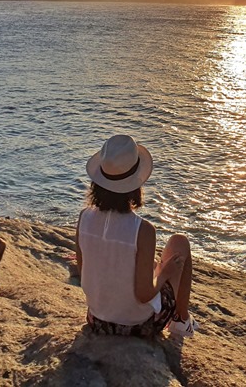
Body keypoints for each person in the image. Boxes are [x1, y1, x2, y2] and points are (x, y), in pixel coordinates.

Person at [76, 134, 197, 339]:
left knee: (148, 264)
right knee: (179, 243)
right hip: (137, 325)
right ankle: (181, 321)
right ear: (136, 183)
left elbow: (84, 271)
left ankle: (180, 319)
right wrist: (165, 273)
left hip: (98, 320)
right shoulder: (143, 230)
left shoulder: (84, 217)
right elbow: (143, 295)